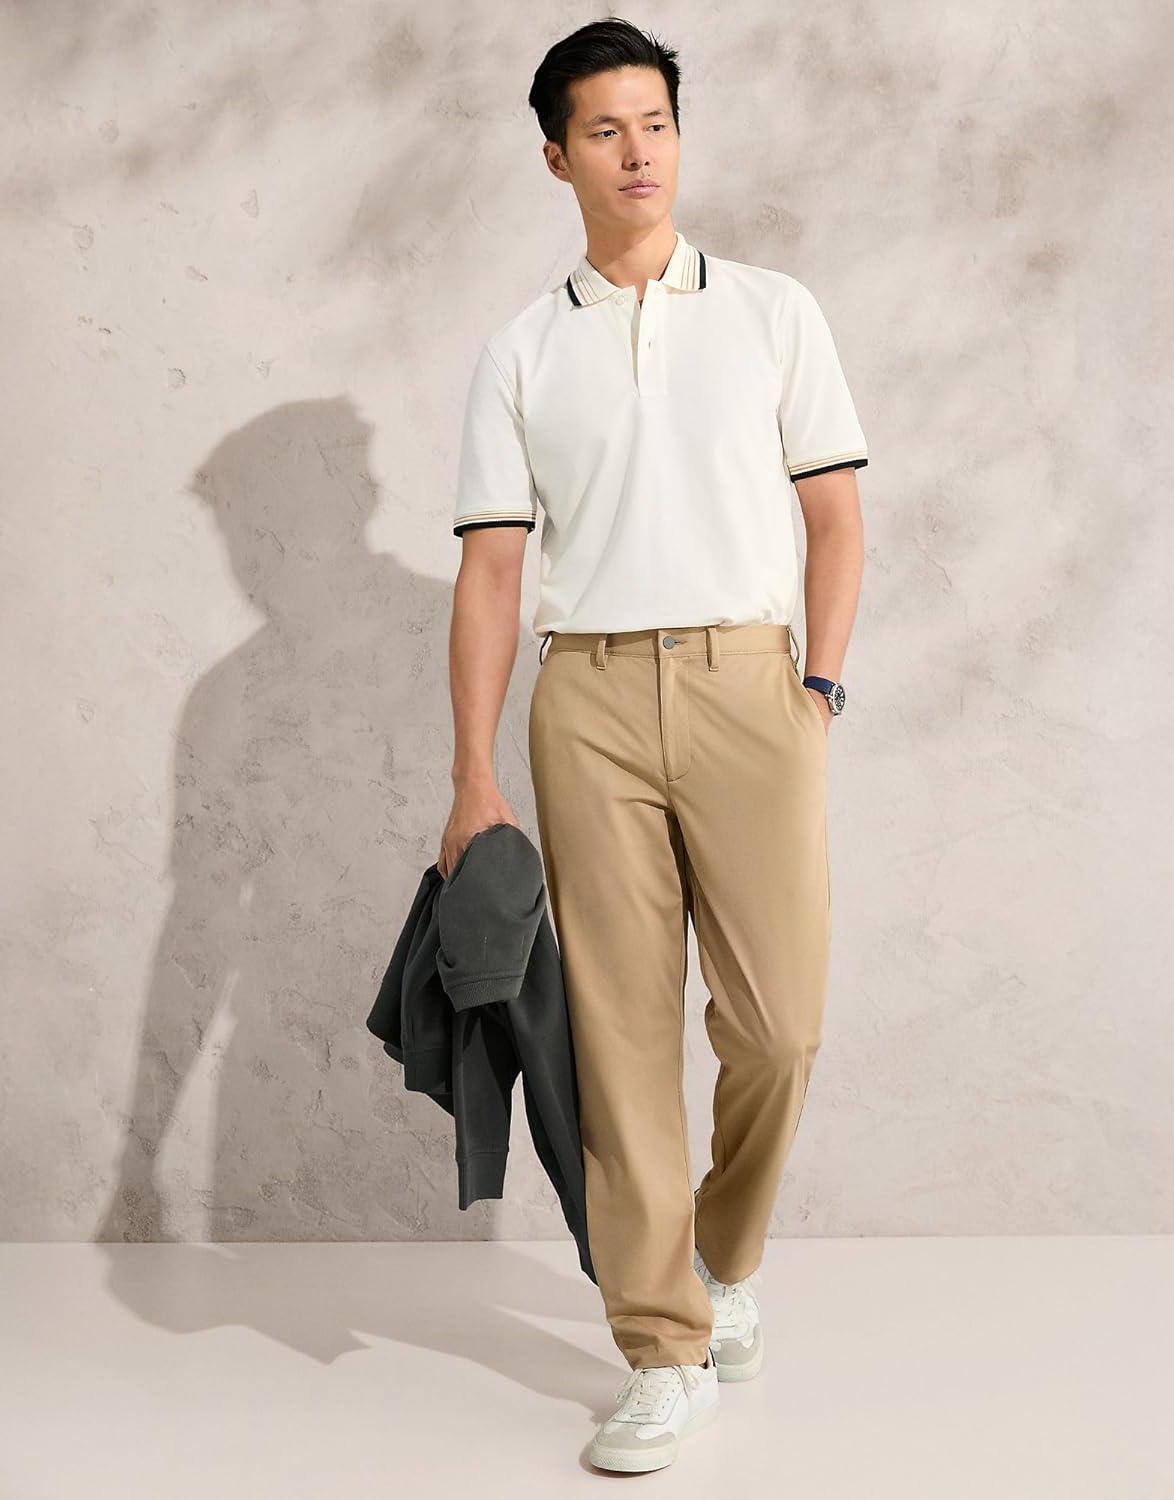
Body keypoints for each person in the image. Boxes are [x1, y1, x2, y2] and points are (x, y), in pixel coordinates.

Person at [437, 18, 867, 1474]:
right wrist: (475, 776)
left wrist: (816, 690)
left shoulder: (773, 311)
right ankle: (660, 1348)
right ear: (555, 156)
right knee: (620, 1038)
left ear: (679, 137)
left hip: (753, 687)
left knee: (779, 1026)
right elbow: (492, 573)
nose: (638, 152)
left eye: (657, 124)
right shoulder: (520, 349)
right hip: (592, 702)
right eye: (605, 130)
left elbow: (835, 516)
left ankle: (721, 1260)